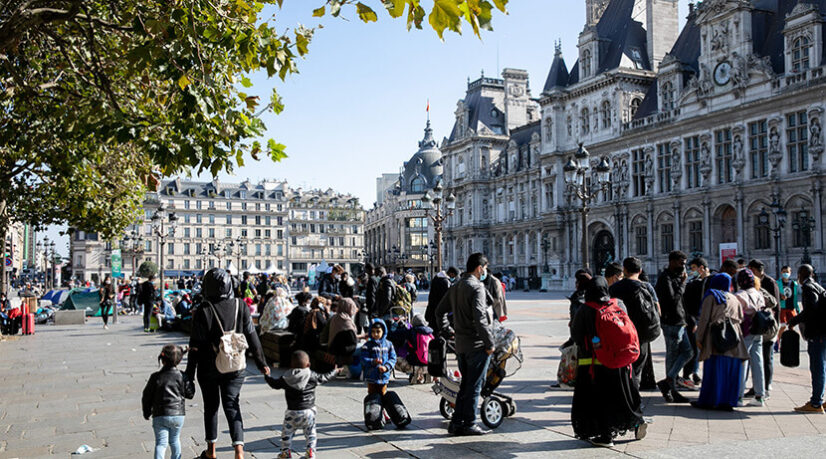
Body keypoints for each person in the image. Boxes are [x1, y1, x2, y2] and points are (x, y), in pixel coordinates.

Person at [184, 268, 270, 459]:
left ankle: (211, 451)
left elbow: (194, 347)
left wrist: (189, 375)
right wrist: (261, 362)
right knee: (232, 404)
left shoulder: (203, 310)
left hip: (208, 367)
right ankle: (239, 452)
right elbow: (252, 336)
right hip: (236, 365)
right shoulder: (241, 306)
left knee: (211, 406)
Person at [571, 276, 646, 447]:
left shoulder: (585, 308)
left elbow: (576, 335)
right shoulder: (618, 304)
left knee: (599, 399)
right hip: (621, 362)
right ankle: (636, 421)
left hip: (594, 363)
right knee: (624, 394)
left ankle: (606, 436)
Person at [436, 253, 495, 436]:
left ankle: (456, 422)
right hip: (476, 345)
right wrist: (489, 343)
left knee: (466, 386)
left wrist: (448, 331)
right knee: (474, 386)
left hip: (460, 344)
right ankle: (469, 422)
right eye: (484, 268)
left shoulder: (456, 286)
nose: (485, 272)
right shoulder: (476, 287)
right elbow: (480, 318)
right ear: (479, 268)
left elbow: (439, 312)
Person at [265, 350, 336, 459]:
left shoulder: (286, 377)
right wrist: (335, 371)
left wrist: (267, 376)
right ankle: (310, 452)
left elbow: (274, 384)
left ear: (291, 365)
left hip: (292, 412)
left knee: (286, 433)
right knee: (311, 433)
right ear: (308, 364)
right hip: (309, 412)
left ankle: (285, 452)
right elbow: (325, 377)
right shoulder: (312, 375)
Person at [692, 273, 748, 411]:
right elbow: (741, 317)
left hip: (715, 338)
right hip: (734, 339)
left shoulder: (711, 296)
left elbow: (704, 319)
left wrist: (699, 338)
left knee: (714, 370)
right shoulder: (734, 298)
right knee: (731, 372)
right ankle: (728, 401)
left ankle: (709, 400)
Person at [609, 257, 659, 390]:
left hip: (621, 333)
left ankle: (623, 395)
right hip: (641, 334)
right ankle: (634, 398)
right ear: (640, 270)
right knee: (637, 370)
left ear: (624, 270)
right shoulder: (646, 286)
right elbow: (657, 310)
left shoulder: (614, 288)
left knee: (623, 366)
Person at [142, 344, 195, 459]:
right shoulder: (182, 376)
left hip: (160, 415)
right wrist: (189, 377)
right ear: (179, 360)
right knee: (175, 440)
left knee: (161, 444)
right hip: (178, 415)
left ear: (162, 359)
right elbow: (190, 394)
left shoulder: (155, 377)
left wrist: (146, 411)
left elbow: (147, 396)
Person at [655, 250, 693, 402]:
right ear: (672, 261)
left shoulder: (676, 277)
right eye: (681, 263)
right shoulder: (665, 278)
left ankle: (669, 380)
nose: (683, 267)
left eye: (684, 264)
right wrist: (683, 284)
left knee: (688, 352)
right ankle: (671, 389)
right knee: (672, 355)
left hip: (680, 321)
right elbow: (672, 300)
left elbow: (682, 302)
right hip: (671, 322)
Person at [789, 264, 826, 413]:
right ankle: (820, 400)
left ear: (800, 275)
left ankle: (816, 403)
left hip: (818, 333)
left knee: (818, 367)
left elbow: (810, 310)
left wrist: (794, 321)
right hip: (823, 332)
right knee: (821, 366)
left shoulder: (808, 288)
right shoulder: (818, 286)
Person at [734, 268, 767, 406]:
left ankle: (739, 396)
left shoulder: (740, 295)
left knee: (742, 362)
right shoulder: (758, 293)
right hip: (758, 330)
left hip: (745, 330)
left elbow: (737, 314)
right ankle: (760, 396)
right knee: (758, 361)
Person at [748, 259, 780, 398]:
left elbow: (775, 305)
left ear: (754, 270)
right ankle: (758, 387)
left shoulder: (768, 282)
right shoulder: (757, 282)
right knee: (759, 357)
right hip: (760, 326)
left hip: (767, 326)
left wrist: (774, 326)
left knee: (766, 358)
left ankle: (765, 386)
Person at [683, 257, 712, 385]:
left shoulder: (710, 282)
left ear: (701, 268)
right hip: (695, 319)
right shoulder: (693, 283)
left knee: (700, 349)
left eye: (694, 268)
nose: (692, 271)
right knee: (694, 349)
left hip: (706, 319)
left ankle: (694, 372)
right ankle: (689, 374)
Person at [361, 319, 397, 396]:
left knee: (383, 395)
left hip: (384, 377)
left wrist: (386, 367)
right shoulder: (367, 345)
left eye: (378, 331)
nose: (375, 334)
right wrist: (373, 361)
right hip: (371, 377)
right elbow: (363, 359)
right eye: (373, 332)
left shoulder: (389, 344)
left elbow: (393, 358)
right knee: (372, 395)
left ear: (383, 331)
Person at [777, 265, 801, 335]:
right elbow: (774, 294)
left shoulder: (794, 283)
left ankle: (790, 342)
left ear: (790, 272)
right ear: (781, 272)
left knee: (791, 326)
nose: (785, 273)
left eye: (787, 272)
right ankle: (777, 342)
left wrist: (797, 308)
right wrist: (780, 296)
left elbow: (795, 296)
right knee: (783, 326)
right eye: (784, 272)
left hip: (791, 307)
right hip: (782, 307)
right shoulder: (778, 283)